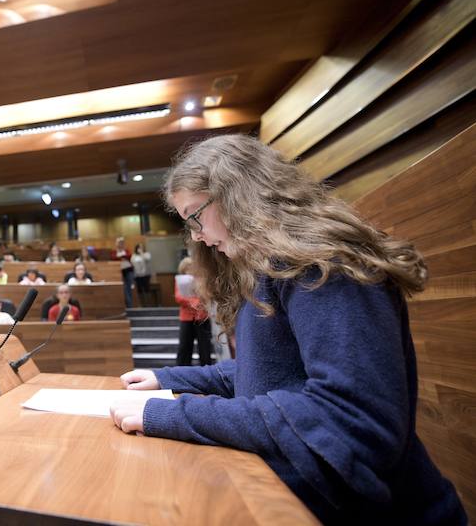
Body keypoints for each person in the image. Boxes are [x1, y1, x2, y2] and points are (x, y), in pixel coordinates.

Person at [109, 134, 465, 525]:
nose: (196, 236)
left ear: (237, 196)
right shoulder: (268, 267)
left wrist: (176, 414)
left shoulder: (322, 263)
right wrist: (167, 378)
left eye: (196, 216)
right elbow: (270, 372)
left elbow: (348, 417)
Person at [173, 257, 211, 366]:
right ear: (183, 270)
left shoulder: (202, 279)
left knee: (205, 347)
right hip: (187, 318)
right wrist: (194, 302)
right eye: (187, 268)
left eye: (191, 267)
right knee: (184, 346)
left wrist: (198, 301)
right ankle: (181, 372)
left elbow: (207, 294)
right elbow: (178, 297)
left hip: (202, 317)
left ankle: (206, 371)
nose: (189, 270)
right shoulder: (180, 281)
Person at [111, 236, 134, 308]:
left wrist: (122, 256)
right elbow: (113, 258)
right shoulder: (114, 251)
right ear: (116, 243)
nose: (120, 244)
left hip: (128, 271)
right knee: (123, 288)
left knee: (129, 288)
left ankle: (130, 306)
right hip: (119, 272)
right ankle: (128, 306)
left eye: (122, 242)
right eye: (119, 242)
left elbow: (129, 256)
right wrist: (122, 257)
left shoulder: (126, 250)